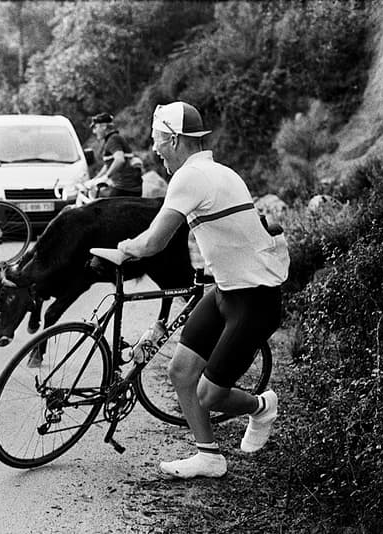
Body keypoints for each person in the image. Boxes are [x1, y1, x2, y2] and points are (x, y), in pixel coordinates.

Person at [117, 102, 289, 479]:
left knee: (209, 394)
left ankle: (262, 405)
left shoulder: (190, 177)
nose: (155, 149)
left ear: (174, 139)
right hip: (228, 291)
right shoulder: (218, 171)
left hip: (254, 299)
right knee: (181, 372)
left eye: (158, 141)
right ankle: (209, 456)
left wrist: (123, 248)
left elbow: (154, 244)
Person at [89, 112, 142, 197]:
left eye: (95, 127)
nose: (94, 131)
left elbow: (119, 160)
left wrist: (106, 177)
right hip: (125, 186)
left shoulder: (113, 139)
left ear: (104, 126)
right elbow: (108, 165)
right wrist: (96, 179)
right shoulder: (112, 139)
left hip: (126, 188)